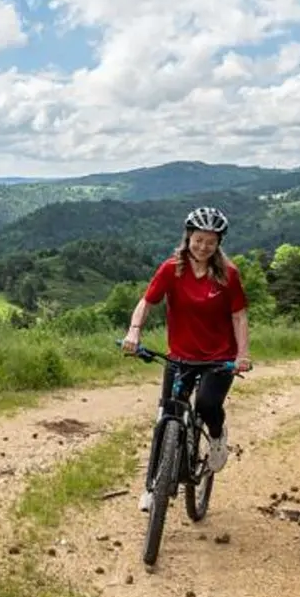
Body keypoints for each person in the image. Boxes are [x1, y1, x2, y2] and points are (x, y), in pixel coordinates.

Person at [121, 206, 252, 509]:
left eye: (210, 241)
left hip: (219, 357)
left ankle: (217, 438)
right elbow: (147, 301)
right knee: (165, 416)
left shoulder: (228, 275)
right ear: (188, 238)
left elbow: (239, 317)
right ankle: (153, 486)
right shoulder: (171, 269)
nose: (203, 246)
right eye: (198, 239)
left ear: (218, 243)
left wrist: (243, 354)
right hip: (180, 356)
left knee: (207, 405)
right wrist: (134, 331)